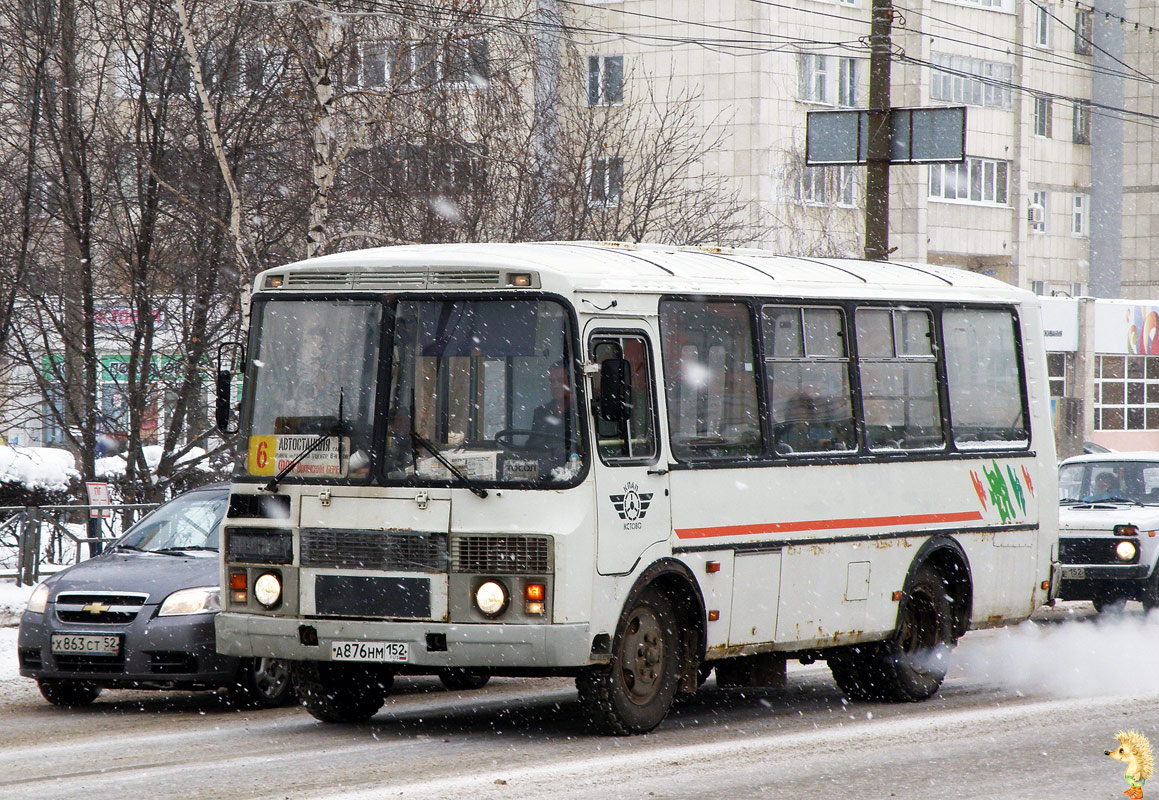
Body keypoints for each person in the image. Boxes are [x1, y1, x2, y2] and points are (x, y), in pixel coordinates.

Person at [530, 362, 572, 456]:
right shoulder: (541, 412)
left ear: (571, 382)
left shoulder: (580, 412)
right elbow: (532, 446)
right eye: (552, 381)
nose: (555, 386)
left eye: (560, 380)